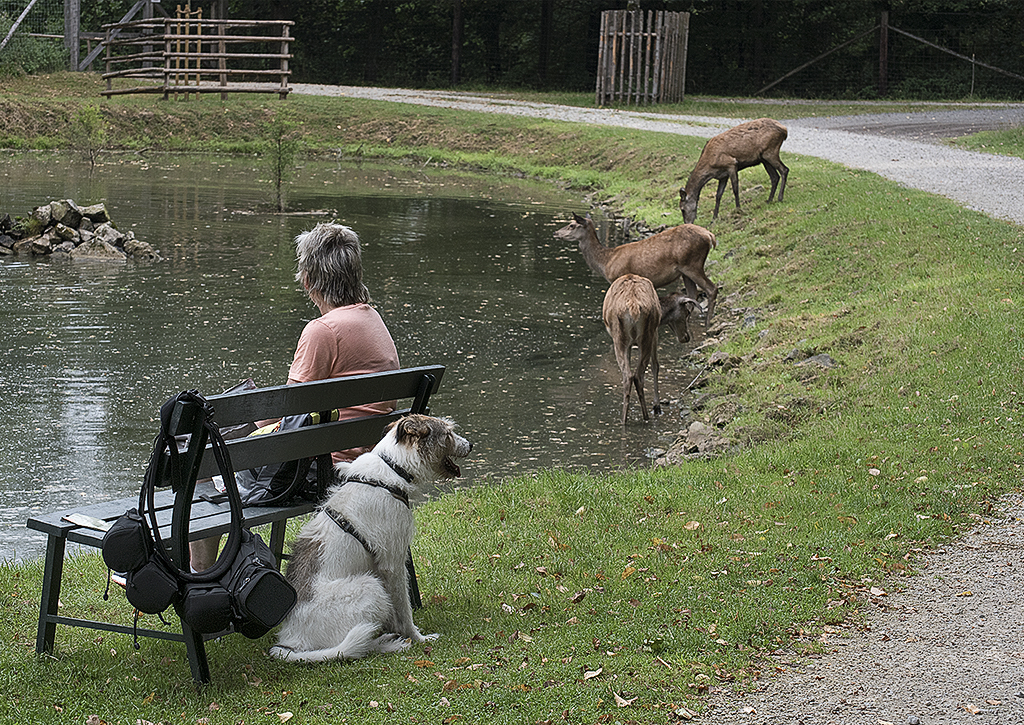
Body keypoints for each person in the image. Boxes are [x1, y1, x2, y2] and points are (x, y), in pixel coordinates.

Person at [189, 222, 399, 571]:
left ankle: (200, 575)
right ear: (354, 273)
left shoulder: (323, 330)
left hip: (321, 473)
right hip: (370, 462)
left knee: (197, 458)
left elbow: (286, 413)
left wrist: (239, 426)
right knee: (217, 444)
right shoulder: (372, 320)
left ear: (308, 280)